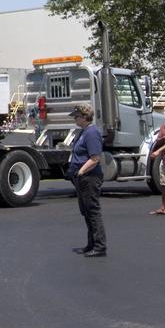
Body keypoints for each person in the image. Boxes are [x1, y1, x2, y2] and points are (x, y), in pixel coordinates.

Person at [67, 103, 106, 257]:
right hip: (82, 177)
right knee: (86, 212)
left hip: (89, 177)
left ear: (84, 117)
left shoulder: (91, 133)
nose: (75, 119)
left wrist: (81, 171)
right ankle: (91, 244)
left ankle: (100, 246)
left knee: (93, 211)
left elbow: (95, 158)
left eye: (76, 116)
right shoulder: (83, 132)